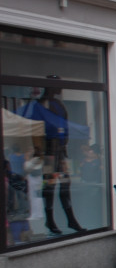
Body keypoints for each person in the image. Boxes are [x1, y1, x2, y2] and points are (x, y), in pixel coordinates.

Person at [38, 88, 85, 234]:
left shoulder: (58, 103)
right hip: (49, 151)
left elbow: (65, 125)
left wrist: (65, 145)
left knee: (65, 184)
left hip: (60, 150)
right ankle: (50, 219)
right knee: (49, 186)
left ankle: (70, 219)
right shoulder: (43, 103)